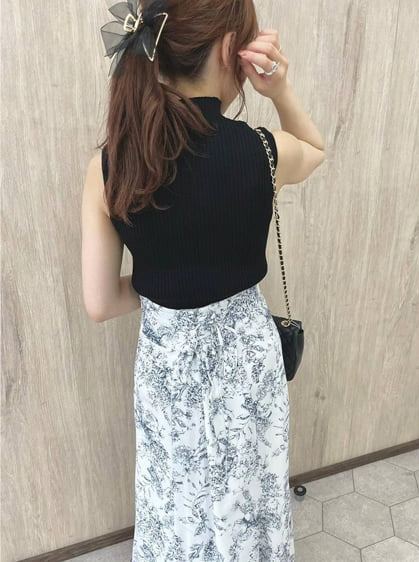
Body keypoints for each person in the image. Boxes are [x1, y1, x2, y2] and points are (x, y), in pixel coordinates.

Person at [81, 1, 325, 560]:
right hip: (248, 362)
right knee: (252, 498)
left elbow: (99, 302)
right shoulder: (259, 151)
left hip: (167, 372)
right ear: (229, 48)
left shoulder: (110, 167)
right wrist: (279, 90)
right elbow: (314, 149)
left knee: (177, 506)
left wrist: (163, 284)